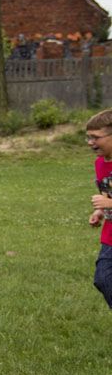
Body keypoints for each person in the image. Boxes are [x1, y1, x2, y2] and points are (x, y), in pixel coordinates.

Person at [86, 109, 112, 308]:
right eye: (88, 137)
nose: (90, 142)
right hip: (110, 237)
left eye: (96, 137)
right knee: (103, 279)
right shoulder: (100, 164)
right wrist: (100, 211)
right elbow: (107, 194)